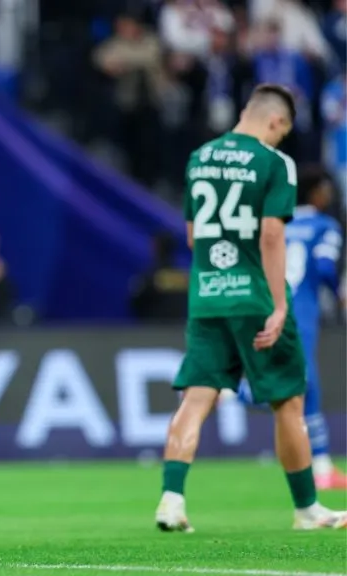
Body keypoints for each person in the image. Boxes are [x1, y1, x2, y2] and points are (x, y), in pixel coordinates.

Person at [156, 84, 347, 533]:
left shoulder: (200, 157)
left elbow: (191, 236)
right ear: (277, 122)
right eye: (283, 133)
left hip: (206, 296)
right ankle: (307, 510)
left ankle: (171, 500)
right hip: (255, 298)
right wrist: (280, 305)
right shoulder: (274, 162)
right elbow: (272, 236)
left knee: (196, 397)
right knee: (289, 402)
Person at [235, 167, 346, 490]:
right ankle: (231, 392)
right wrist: (339, 295)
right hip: (299, 313)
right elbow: (326, 266)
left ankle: (322, 467)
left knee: (305, 385)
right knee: (302, 383)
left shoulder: (276, 223)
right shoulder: (325, 226)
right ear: (318, 192)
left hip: (265, 308)